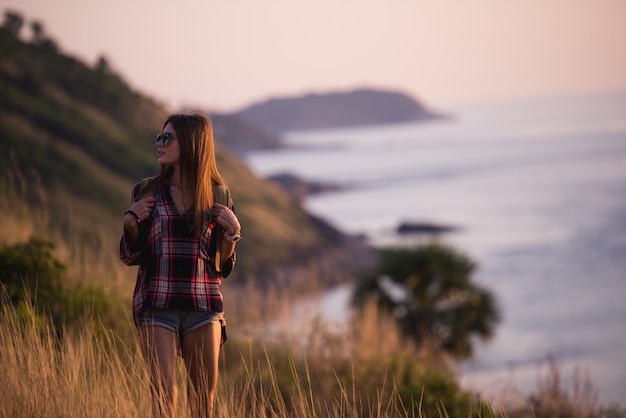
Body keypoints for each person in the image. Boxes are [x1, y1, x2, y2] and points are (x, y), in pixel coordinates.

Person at [120, 113, 241, 418]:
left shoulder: (219, 194)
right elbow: (131, 257)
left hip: (203, 305)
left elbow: (222, 267)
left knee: (203, 402)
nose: (159, 144)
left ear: (191, 144)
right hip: (157, 302)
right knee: (164, 395)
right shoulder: (147, 191)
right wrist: (130, 224)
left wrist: (233, 233)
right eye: (159, 137)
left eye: (167, 138)